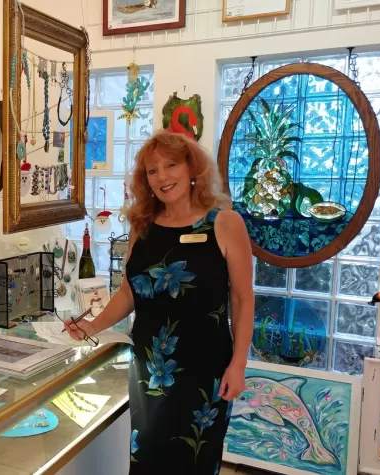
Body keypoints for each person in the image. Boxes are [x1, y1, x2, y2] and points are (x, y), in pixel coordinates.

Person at [65, 130, 254, 474]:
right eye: (152, 170)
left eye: (171, 165)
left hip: (205, 369)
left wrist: (239, 363)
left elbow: (242, 298)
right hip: (150, 369)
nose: (162, 177)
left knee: (194, 462)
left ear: (192, 168)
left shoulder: (225, 223)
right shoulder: (142, 226)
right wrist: (92, 325)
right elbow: (130, 292)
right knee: (147, 458)